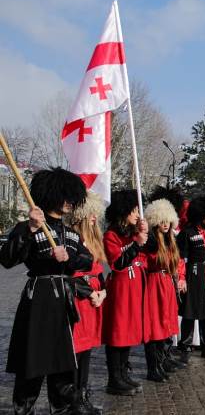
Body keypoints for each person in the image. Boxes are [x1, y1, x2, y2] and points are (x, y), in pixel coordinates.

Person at [0, 168, 92, 414]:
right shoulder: (28, 227)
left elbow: (88, 260)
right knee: (33, 361)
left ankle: (61, 408)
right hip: (38, 299)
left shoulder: (71, 233)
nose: (70, 202)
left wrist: (69, 259)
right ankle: (24, 408)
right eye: (65, 196)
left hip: (64, 301)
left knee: (62, 364)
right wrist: (29, 229)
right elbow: (7, 259)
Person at [102, 190, 153, 395]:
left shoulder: (133, 234)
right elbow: (118, 263)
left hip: (135, 288)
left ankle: (123, 373)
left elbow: (152, 248)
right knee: (118, 333)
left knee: (129, 333)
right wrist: (136, 243)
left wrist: (146, 233)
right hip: (121, 289)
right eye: (133, 211)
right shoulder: (111, 235)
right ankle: (114, 379)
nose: (136, 215)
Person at [67, 191, 106, 414]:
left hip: (93, 301)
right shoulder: (72, 238)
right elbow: (70, 275)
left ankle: (82, 394)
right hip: (79, 300)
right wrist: (90, 293)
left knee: (87, 349)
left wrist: (103, 294)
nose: (93, 217)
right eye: (90, 213)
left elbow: (100, 274)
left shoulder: (94, 240)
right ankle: (74, 399)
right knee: (76, 350)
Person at [176, 196, 205, 361]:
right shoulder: (186, 233)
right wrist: (181, 278)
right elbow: (181, 259)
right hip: (193, 275)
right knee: (190, 311)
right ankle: (185, 345)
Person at [143, 199, 182, 382]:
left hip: (166, 284)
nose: (165, 224)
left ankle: (161, 362)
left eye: (167, 221)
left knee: (165, 325)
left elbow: (176, 263)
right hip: (154, 284)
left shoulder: (170, 240)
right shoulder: (151, 240)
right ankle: (153, 367)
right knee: (154, 327)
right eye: (161, 221)